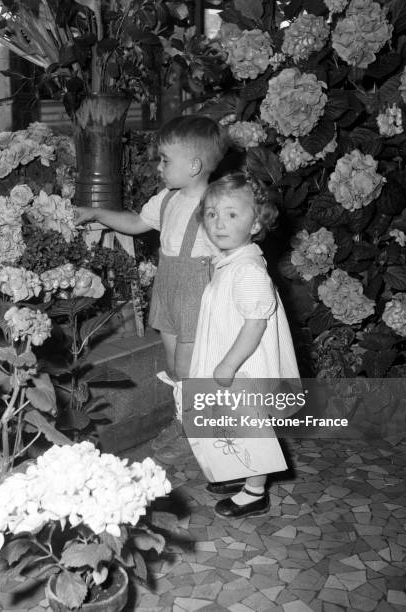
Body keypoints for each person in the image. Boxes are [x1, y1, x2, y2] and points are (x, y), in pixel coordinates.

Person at [74, 115, 226, 383]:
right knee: (172, 358)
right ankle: (184, 408)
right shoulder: (167, 198)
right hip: (167, 286)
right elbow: (136, 222)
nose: (159, 167)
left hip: (197, 293)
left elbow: (229, 253)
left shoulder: (215, 205)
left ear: (194, 166)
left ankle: (202, 414)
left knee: (189, 366)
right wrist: (96, 213)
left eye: (165, 160)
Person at [187, 172, 300, 519]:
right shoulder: (232, 260)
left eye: (232, 215)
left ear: (255, 225)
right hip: (231, 360)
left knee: (250, 427)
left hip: (242, 365)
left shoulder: (248, 269)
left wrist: (228, 365)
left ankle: (255, 491)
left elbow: (255, 325)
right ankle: (237, 472)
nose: (218, 223)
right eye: (211, 214)